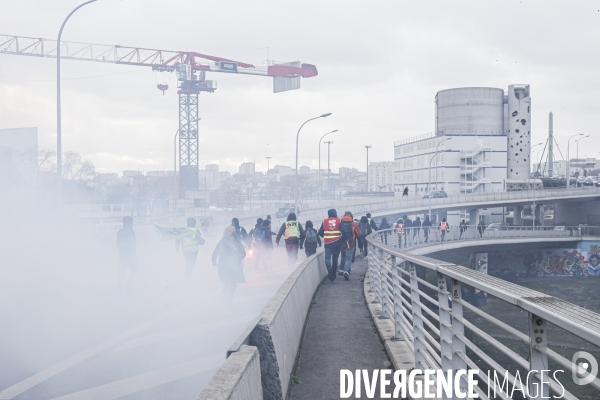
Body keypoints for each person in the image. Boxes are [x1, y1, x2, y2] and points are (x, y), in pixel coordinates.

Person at [212, 226, 246, 304]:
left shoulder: (222, 241)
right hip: (234, 266)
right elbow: (243, 254)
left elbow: (215, 252)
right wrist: (237, 259)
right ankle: (229, 300)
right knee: (233, 284)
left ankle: (223, 298)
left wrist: (214, 261)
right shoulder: (236, 241)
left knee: (226, 283)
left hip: (223, 266)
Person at [318, 209, 344, 282]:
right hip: (337, 242)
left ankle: (329, 269)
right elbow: (343, 230)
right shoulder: (339, 220)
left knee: (327, 258)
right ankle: (333, 275)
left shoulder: (324, 221)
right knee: (335, 259)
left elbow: (319, 232)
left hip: (327, 243)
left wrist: (326, 235)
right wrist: (344, 239)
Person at [117, 216, 137, 292]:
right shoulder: (128, 232)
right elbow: (119, 244)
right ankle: (124, 287)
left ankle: (123, 287)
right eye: (131, 222)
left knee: (124, 272)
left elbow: (133, 244)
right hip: (126, 256)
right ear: (127, 223)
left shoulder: (129, 232)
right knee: (127, 271)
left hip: (127, 255)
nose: (132, 224)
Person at [340, 211, 361, 280]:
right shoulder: (353, 224)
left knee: (343, 256)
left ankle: (341, 269)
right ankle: (346, 271)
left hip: (342, 243)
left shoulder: (340, 223)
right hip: (351, 243)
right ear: (351, 216)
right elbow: (359, 234)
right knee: (348, 258)